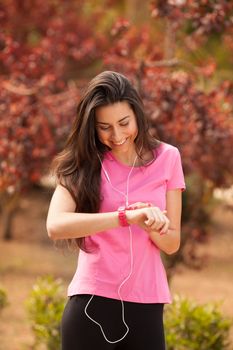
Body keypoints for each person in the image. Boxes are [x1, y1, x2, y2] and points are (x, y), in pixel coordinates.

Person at [46, 70, 186, 350]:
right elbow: (55, 225)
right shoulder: (84, 163)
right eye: (104, 127)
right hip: (91, 303)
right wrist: (125, 217)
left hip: (147, 302)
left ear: (137, 115)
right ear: (92, 127)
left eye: (124, 123)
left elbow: (172, 243)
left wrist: (150, 225)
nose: (117, 135)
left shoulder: (168, 158)